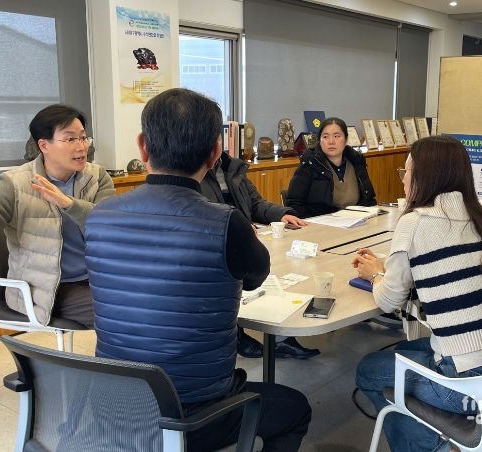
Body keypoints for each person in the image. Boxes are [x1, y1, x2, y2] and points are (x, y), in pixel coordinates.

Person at [84, 88, 311, 451]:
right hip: (192, 415)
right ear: (215, 153)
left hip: (112, 405)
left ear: (143, 147)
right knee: (295, 409)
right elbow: (256, 278)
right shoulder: (226, 223)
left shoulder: (98, 217)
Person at [353, 136, 482, 452]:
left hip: (465, 385)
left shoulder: (414, 222)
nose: (403, 179)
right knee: (404, 349)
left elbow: (388, 300)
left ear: (424, 177)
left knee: (368, 369)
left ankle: (429, 446)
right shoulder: (480, 216)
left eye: (407, 171)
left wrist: (374, 275)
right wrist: (388, 267)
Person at [0, 104, 114, 328]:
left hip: (96, 279)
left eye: (83, 137)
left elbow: (109, 229)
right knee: (121, 312)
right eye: (70, 139)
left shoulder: (97, 177)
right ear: (44, 145)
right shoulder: (14, 183)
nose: (81, 146)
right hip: (45, 290)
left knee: (151, 301)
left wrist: (69, 204)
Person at [201, 153, 319, 359]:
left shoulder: (232, 168)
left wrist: (281, 214)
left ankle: (280, 337)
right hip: (219, 242)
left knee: (276, 269)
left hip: (247, 237)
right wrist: (238, 227)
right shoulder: (194, 170)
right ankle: (238, 334)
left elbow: (255, 204)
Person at [285, 117, 376, 218]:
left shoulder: (356, 161)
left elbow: (369, 199)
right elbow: (294, 204)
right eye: (325, 137)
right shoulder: (309, 164)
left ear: (346, 139)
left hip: (358, 221)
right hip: (320, 224)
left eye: (336, 136)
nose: (331, 141)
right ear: (319, 140)